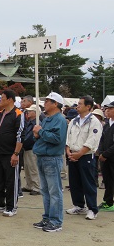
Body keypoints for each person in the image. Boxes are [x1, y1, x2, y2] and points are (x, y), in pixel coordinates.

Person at [0, 89, 24, 217]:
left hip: (11, 153)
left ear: (10, 100)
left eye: (2, 98)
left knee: (11, 180)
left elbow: (20, 135)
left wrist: (16, 153)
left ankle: (11, 206)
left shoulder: (18, 114)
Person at [32, 92, 68, 232]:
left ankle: (56, 221)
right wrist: (37, 134)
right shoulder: (47, 119)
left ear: (55, 104)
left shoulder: (59, 119)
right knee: (46, 191)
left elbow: (57, 139)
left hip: (52, 158)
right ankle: (47, 218)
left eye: (47, 101)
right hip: (42, 156)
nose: (45, 103)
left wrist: (39, 132)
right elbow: (40, 136)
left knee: (54, 191)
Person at [65, 95, 102, 220]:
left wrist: (80, 153)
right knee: (74, 182)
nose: (77, 106)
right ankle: (79, 205)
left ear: (88, 106)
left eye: (80, 104)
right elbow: (68, 137)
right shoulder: (74, 120)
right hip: (73, 154)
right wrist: (68, 151)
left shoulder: (94, 122)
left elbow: (93, 140)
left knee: (88, 183)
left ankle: (92, 209)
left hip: (86, 156)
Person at [21, 104, 41, 195]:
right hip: (27, 147)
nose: (28, 112)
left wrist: (23, 142)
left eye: (30, 111)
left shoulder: (36, 123)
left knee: (33, 168)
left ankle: (36, 187)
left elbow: (31, 137)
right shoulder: (30, 122)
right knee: (28, 167)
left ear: (35, 113)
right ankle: (29, 185)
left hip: (32, 148)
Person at [98, 101, 114, 211]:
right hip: (105, 158)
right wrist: (100, 152)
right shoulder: (107, 124)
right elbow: (102, 140)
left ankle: (109, 202)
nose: (107, 111)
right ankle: (108, 201)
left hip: (111, 157)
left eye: (110, 109)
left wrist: (105, 154)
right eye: (106, 109)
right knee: (107, 180)